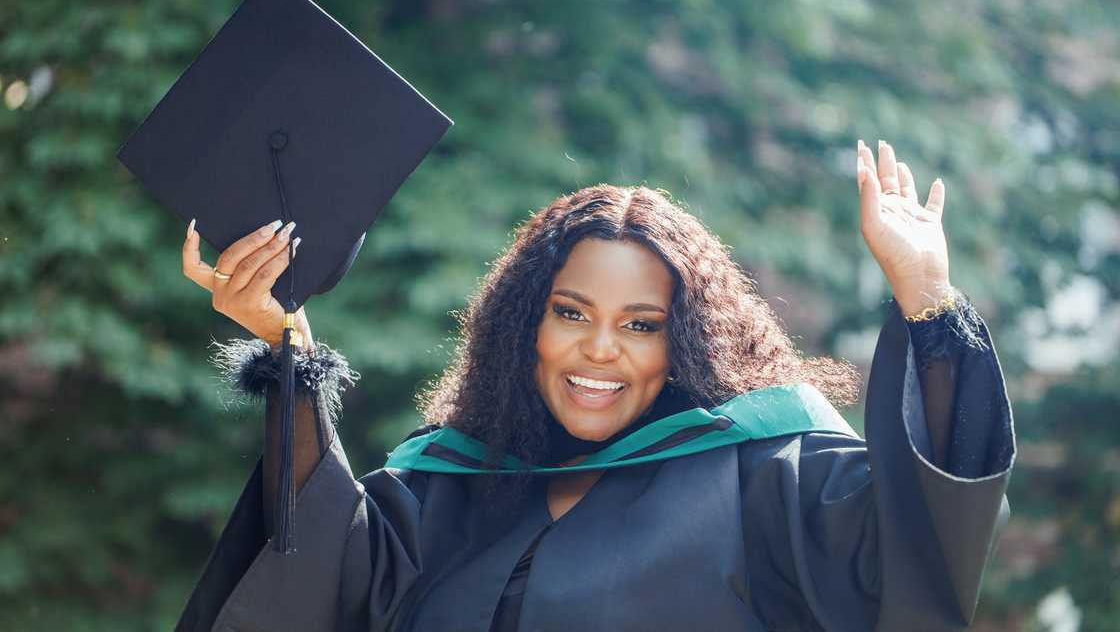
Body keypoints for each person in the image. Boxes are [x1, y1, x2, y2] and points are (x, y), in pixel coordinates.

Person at [175, 140, 1015, 632]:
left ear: (685, 340)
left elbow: (918, 543)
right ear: (525, 326)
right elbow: (322, 573)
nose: (600, 349)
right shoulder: (453, 488)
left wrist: (927, 302)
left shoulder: (764, 476)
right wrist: (289, 344)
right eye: (571, 311)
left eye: (642, 323)